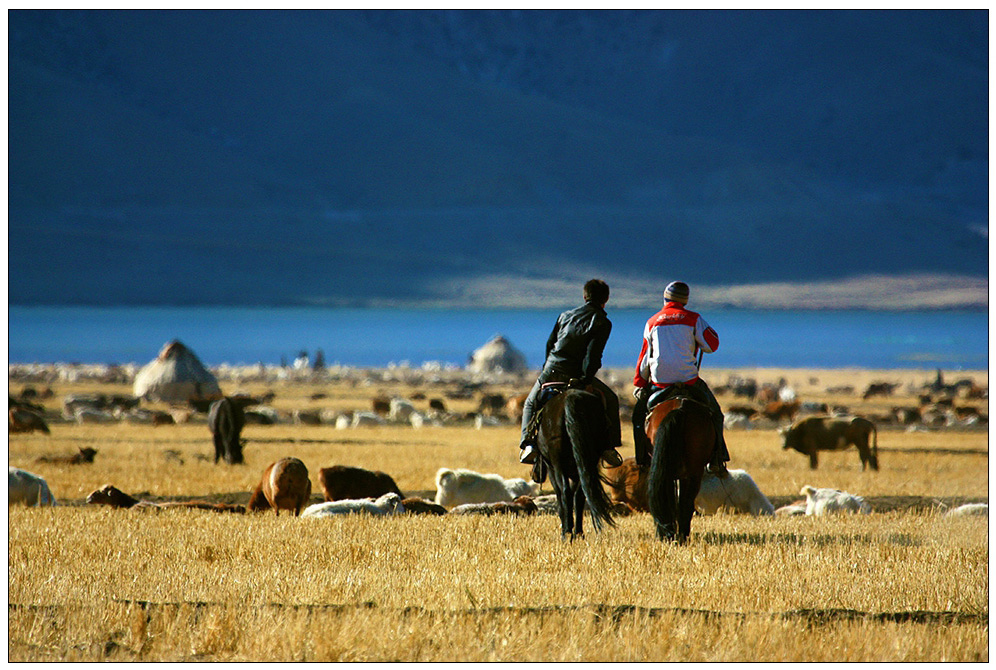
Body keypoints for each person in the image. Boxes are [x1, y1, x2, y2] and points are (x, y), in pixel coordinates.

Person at [519, 279, 624, 467]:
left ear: (585, 296)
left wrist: (546, 369)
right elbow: (592, 356)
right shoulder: (602, 322)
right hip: (576, 374)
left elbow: (550, 344)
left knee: (530, 403)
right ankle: (609, 447)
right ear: (606, 298)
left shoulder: (565, 315)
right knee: (611, 399)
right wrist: (585, 380)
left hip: (552, 370)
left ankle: (527, 444)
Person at [631, 281, 729, 476]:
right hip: (689, 382)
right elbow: (712, 345)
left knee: (638, 416)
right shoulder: (694, 319)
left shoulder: (652, 321)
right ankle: (718, 458)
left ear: (665, 298)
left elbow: (644, 358)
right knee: (716, 414)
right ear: (685, 300)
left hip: (660, 384)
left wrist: (639, 383)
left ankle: (641, 459)